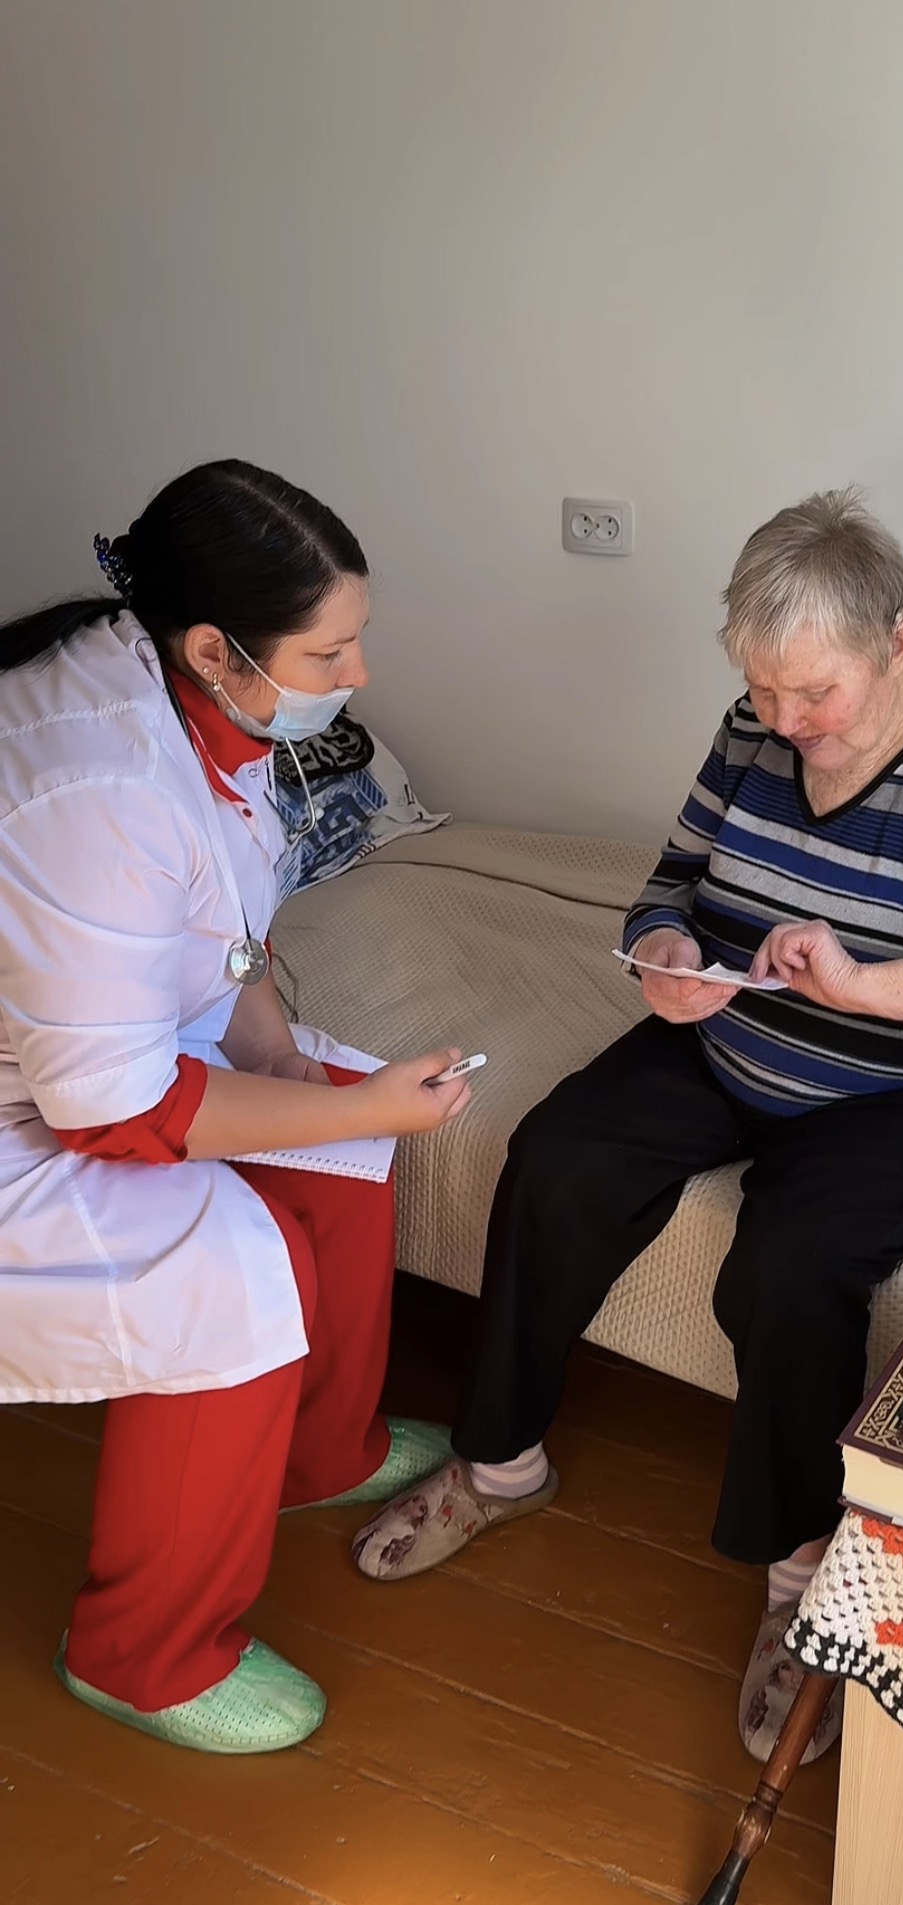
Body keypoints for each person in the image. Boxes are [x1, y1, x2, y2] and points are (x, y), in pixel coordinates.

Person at [352, 489, 903, 1761]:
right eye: (760, 688)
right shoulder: (756, 725)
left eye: (814, 693)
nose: (785, 720)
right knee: (556, 1157)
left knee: (790, 1266)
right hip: (736, 1035)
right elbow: (675, 880)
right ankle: (500, 1465)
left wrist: (869, 985)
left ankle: (797, 1572)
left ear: (896, 639)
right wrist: (664, 954)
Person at [0, 460, 471, 1755]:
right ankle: (140, 1657)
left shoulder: (197, 696)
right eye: (330, 650)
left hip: (108, 1041)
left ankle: (321, 1455)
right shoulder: (90, 786)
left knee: (344, 1128)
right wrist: (337, 1107)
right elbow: (110, 1114)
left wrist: (294, 1069)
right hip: (49, 1104)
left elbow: (227, 920)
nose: (358, 672)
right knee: (224, 1267)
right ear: (215, 645)